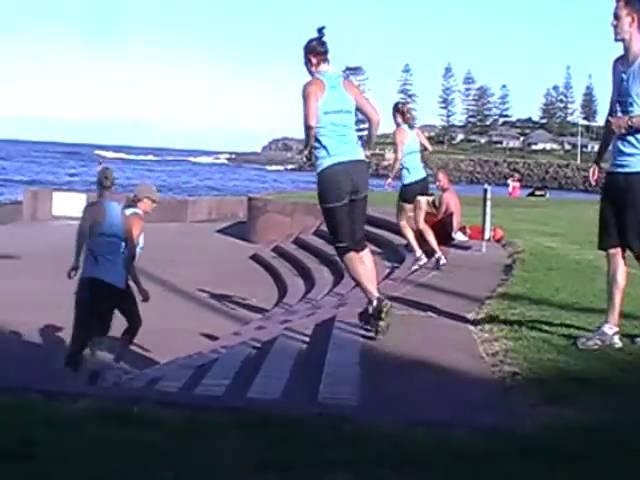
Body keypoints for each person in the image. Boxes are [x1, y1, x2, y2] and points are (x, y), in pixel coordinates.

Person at [300, 26, 391, 335]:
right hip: (357, 166)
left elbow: (312, 122)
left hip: (333, 171)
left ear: (313, 60)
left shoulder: (313, 86)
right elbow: (375, 118)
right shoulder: (347, 84)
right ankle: (373, 307)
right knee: (359, 240)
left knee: (343, 245)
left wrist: (308, 145)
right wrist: (368, 145)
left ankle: (376, 299)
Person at [577, 0, 640, 349]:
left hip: (639, 174)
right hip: (617, 171)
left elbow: (624, 120)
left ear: (633, 20)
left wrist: (629, 123)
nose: (611, 23)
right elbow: (610, 117)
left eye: (616, 17)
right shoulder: (617, 67)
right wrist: (599, 159)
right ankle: (610, 328)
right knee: (614, 250)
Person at [64, 167, 150, 372]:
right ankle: (98, 366)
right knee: (104, 326)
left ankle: (74, 369)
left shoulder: (92, 209)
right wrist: (138, 286)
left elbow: (82, 235)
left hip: (92, 278)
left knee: (82, 325)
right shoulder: (123, 217)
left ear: (96, 185)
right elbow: (129, 256)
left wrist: (76, 261)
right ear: (115, 186)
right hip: (115, 282)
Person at [384, 101, 447, 271]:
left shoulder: (399, 132)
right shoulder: (416, 131)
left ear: (397, 115)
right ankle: (438, 255)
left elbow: (398, 157)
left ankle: (419, 254)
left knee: (402, 221)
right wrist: (416, 156)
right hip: (422, 179)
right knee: (420, 222)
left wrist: (391, 176)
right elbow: (429, 147)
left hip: (410, 181)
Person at [425, 169, 468, 245]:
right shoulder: (454, 194)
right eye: (436, 182)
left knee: (425, 217)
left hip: (448, 233)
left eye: (439, 181)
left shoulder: (444, 196)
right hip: (454, 229)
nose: (437, 184)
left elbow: (438, 217)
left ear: (446, 179)